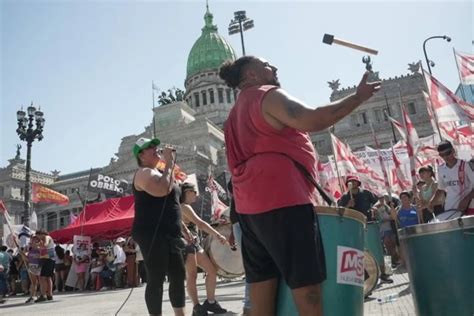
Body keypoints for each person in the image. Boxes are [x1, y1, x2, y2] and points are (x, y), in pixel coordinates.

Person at [219, 56, 380, 315]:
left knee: (261, 294)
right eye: (267, 66)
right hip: (283, 202)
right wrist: (357, 98)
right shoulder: (266, 94)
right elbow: (313, 118)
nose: (274, 68)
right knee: (308, 291)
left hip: (250, 211)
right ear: (251, 75)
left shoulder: (233, 114)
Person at [131, 137, 186, 316]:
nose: (155, 149)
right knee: (156, 278)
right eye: (149, 147)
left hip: (171, 232)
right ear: (140, 155)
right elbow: (163, 190)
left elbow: (173, 204)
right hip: (152, 232)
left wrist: (183, 228)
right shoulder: (143, 172)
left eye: (155, 146)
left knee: (178, 276)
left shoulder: (162, 172)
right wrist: (169, 163)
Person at [179, 182, 228, 316]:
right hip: (185, 244)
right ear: (187, 192)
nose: (197, 194)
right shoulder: (184, 207)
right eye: (194, 191)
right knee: (192, 275)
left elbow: (200, 223)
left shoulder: (185, 207)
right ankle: (196, 306)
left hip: (194, 244)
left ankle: (210, 302)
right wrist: (217, 235)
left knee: (212, 270)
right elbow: (200, 224)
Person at [431, 141, 474, 215]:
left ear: (453, 150)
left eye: (447, 153)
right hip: (450, 208)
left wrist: (467, 199)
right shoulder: (441, 169)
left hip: (468, 207)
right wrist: (431, 203)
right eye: (442, 155)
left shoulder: (465, 165)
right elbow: (441, 188)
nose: (445, 157)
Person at [227, 180, 251, 316]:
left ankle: (249, 305)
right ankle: (249, 305)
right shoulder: (237, 174)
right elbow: (234, 201)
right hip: (240, 222)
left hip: (246, 221)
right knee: (251, 265)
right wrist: (232, 231)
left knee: (252, 265)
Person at [35, 229, 55, 302]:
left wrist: (39, 244)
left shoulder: (47, 237)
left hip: (48, 259)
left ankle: (43, 295)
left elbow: (45, 244)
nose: (38, 238)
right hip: (48, 259)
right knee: (47, 277)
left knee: (43, 277)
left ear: (41, 234)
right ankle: (49, 294)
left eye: (38, 236)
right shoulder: (44, 239)